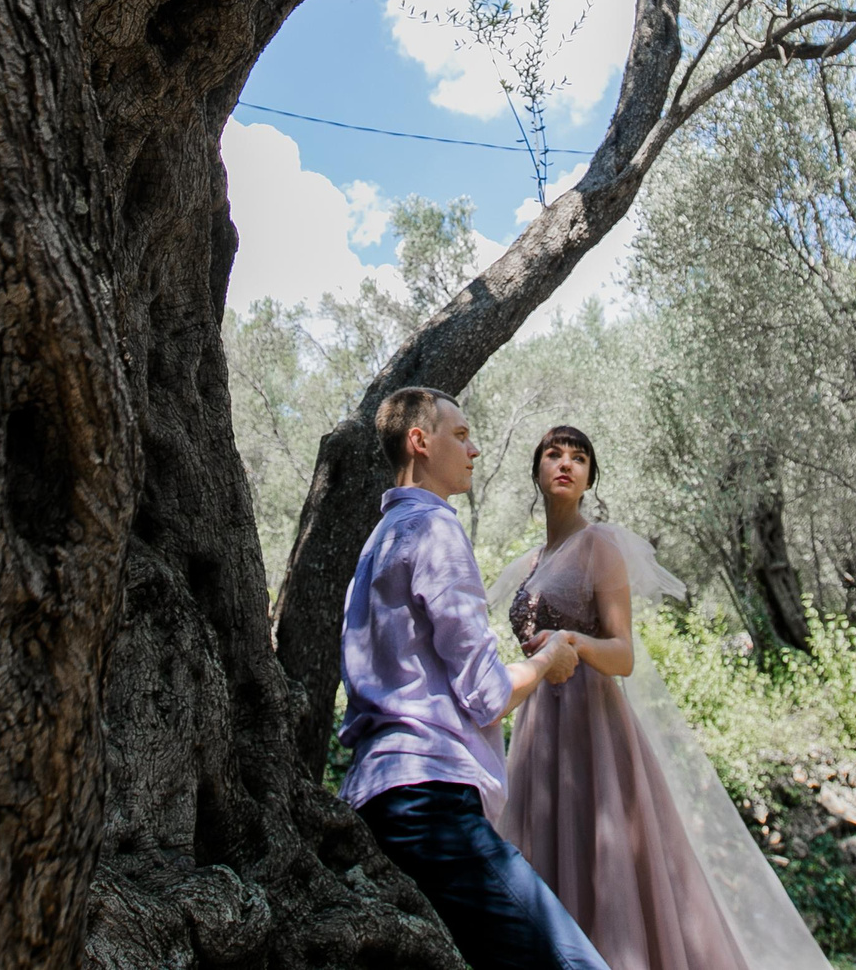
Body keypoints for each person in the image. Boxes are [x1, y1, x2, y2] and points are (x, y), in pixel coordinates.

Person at [491, 425, 830, 970]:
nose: (565, 464)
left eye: (579, 458)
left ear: (589, 478)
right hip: (539, 733)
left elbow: (623, 654)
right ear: (535, 470)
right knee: (547, 863)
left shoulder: (600, 545)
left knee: (608, 871)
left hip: (593, 728)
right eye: (554, 454)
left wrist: (571, 641)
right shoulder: (530, 563)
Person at [339, 387, 611, 970]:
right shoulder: (436, 532)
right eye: (460, 436)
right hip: (430, 800)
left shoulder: (376, 542)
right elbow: (487, 695)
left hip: (370, 799)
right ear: (420, 441)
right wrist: (547, 663)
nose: (475, 449)